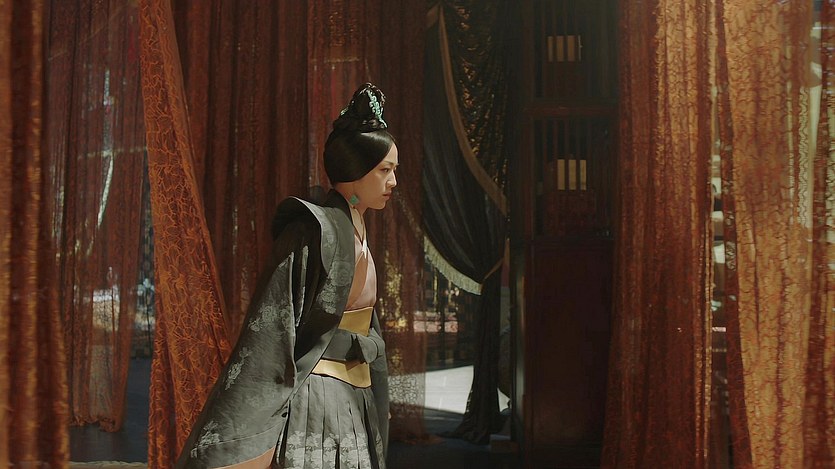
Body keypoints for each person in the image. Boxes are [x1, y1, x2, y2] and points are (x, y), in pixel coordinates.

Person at [176, 83, 397, 469]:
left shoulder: (356, 225)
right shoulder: (312, 231)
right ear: (355, 171)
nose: (393, 182)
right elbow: (271, 326)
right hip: (321, 400)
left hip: (356, 393)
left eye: (393, 170)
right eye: (385, 170)